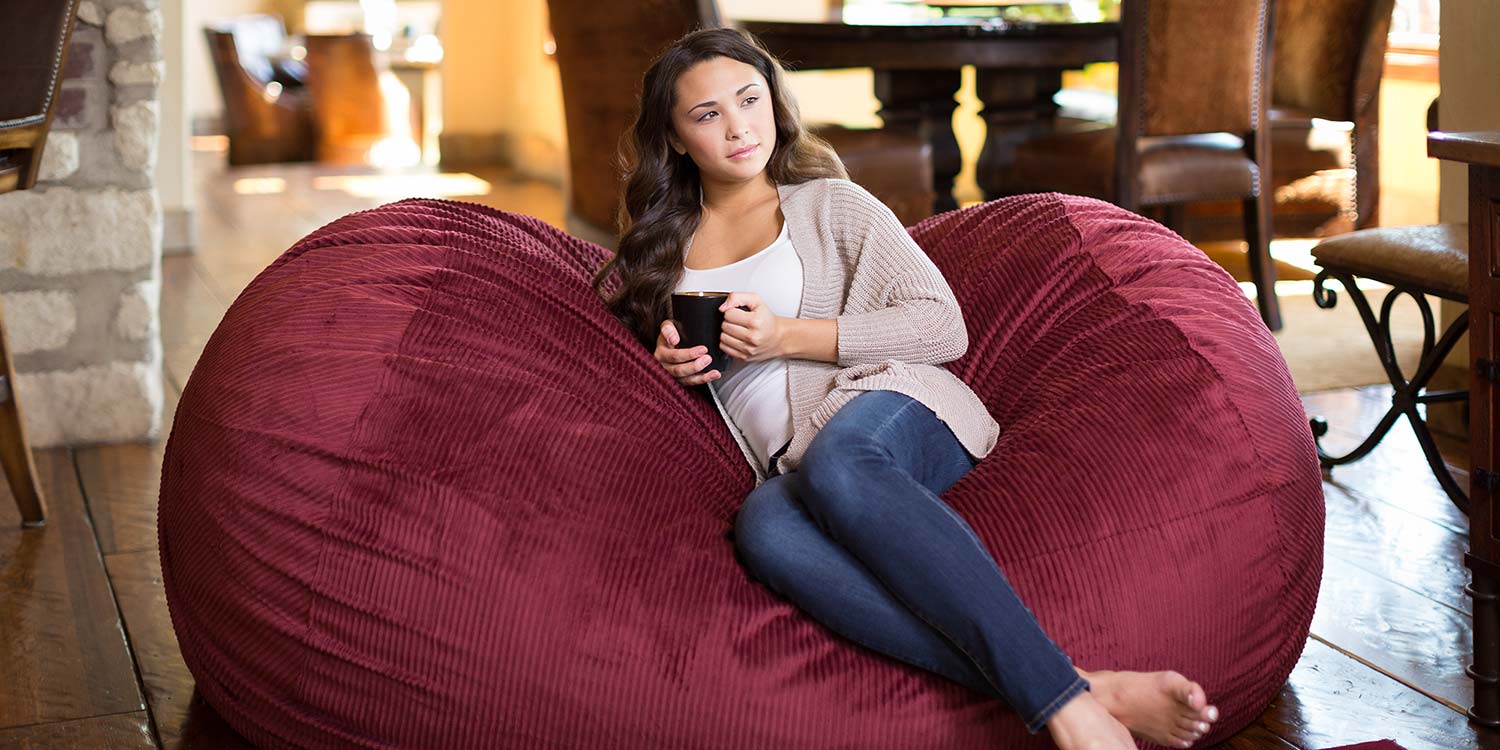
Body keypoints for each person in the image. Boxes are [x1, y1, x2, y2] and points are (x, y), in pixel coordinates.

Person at [591, 26, 1219, 750]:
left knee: (839, 459)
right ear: (673, 138)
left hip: (886, 405)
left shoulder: (831, 205)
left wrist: (790, 335)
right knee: (763, 526)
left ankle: (1066, 715)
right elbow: (631, 361)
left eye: (749, 99)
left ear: (773, 102)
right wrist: (669, 362)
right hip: (790, 464)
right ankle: (1079, 684)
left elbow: (940, 326)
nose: (738, 126)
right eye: (707, 114)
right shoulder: (656, 258)